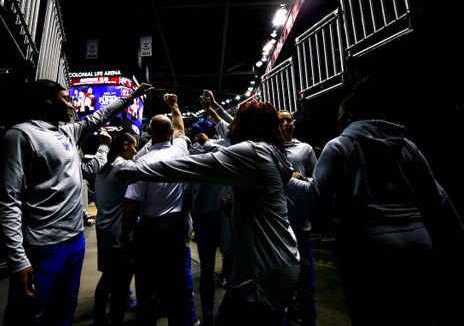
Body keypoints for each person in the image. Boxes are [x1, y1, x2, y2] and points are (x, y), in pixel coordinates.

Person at [285, 77, 464, 326]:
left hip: (366, 243)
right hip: (417, 239)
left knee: (370, 314)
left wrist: (287, 178)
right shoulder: (407, 145)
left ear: (349, 116)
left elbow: (316, 194)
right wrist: (461, 240)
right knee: (418, 313)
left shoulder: (339, 145)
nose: (336, 118)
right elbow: (438, 197)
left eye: (339, 113)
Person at [116, 99, 300, 326]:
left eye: (235, 122)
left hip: (261, 271)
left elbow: (189, 167)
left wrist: (134, 170)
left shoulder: (252, 152)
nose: (229, 127)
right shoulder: (272, 150)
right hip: (279, 260)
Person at [0, 79, 153, 326]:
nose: (72, 105)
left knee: (65, 308)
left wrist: (133, 95)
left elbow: (102, 115)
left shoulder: (68, 132)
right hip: (43, 246)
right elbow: (8, 200)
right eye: (66, 99)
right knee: (29, 314)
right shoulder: (20, 135)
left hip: (75, 241)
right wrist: (17, 258)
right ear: (48, 98)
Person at [119, 93, 197, 326]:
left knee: (147, 288)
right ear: (170, 134)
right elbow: (181, 127)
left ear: (149, 133)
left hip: (149, 229)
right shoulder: (180, 151)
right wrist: (174, 106)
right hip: (175, 227)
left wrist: (125, 239)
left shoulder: (141, 163)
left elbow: (132, 205)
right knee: (176, 287)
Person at [92, 130, 139, 326]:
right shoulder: (126, 166)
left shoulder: (104, 167)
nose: (136, 151)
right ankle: (116, 321)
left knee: (107, 279)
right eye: (134, 146)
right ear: (125, 146)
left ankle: (98, 320)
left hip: (104, 231)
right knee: (121, 284)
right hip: (119, 235)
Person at [188, 130, 231, 326]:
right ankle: (229, 313)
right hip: (226, 216)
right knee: (234, 267)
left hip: (202, 219)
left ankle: (208, 316)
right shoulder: (224, 150)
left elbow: (186, 192)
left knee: (206, 270)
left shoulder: (190, 156)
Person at [279, 110, 318, 326]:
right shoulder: (270, 148)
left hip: (300, 222)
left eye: (289, 120)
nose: (286, 124)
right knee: (282, 275)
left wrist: (304, 179)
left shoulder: (305, 149)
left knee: (305, 275)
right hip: (277, 224)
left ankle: (308, 319)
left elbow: (318, 181)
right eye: (281, 121)